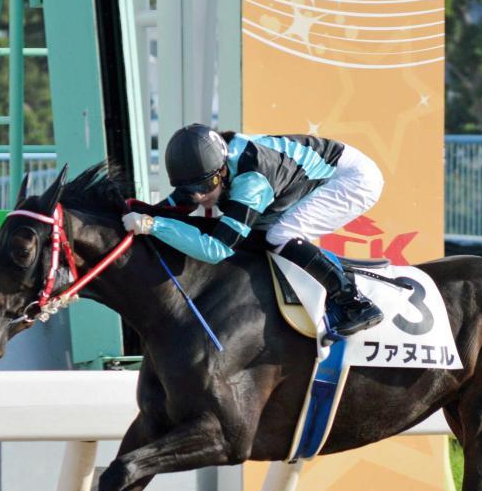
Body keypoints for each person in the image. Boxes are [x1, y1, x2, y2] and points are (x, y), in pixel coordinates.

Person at [121, 123, 384, 338]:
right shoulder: (211, 165)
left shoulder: (252, 181)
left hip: (353, 179)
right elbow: (178, 203)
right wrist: (140, 211)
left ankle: (356, 303)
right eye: (190, 188)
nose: (199, 196)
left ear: (222, 170)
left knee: (280, 235)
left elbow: (216, 249)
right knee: (259, 236)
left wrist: (152, 225)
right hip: (318, 171)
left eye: (205, 186)